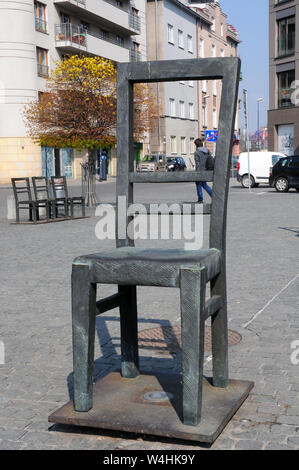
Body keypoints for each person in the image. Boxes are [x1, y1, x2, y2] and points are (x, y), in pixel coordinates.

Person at [194, 138, 213, 203]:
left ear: (196, 145)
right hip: (207, 170)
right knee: (204, 184)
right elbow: (210, 161)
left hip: (200, 171)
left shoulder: (197, 153)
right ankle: (212, 194)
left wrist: (197, 173)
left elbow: (197, 163)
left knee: (198, 184)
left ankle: (200, 198)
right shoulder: (207, 151)